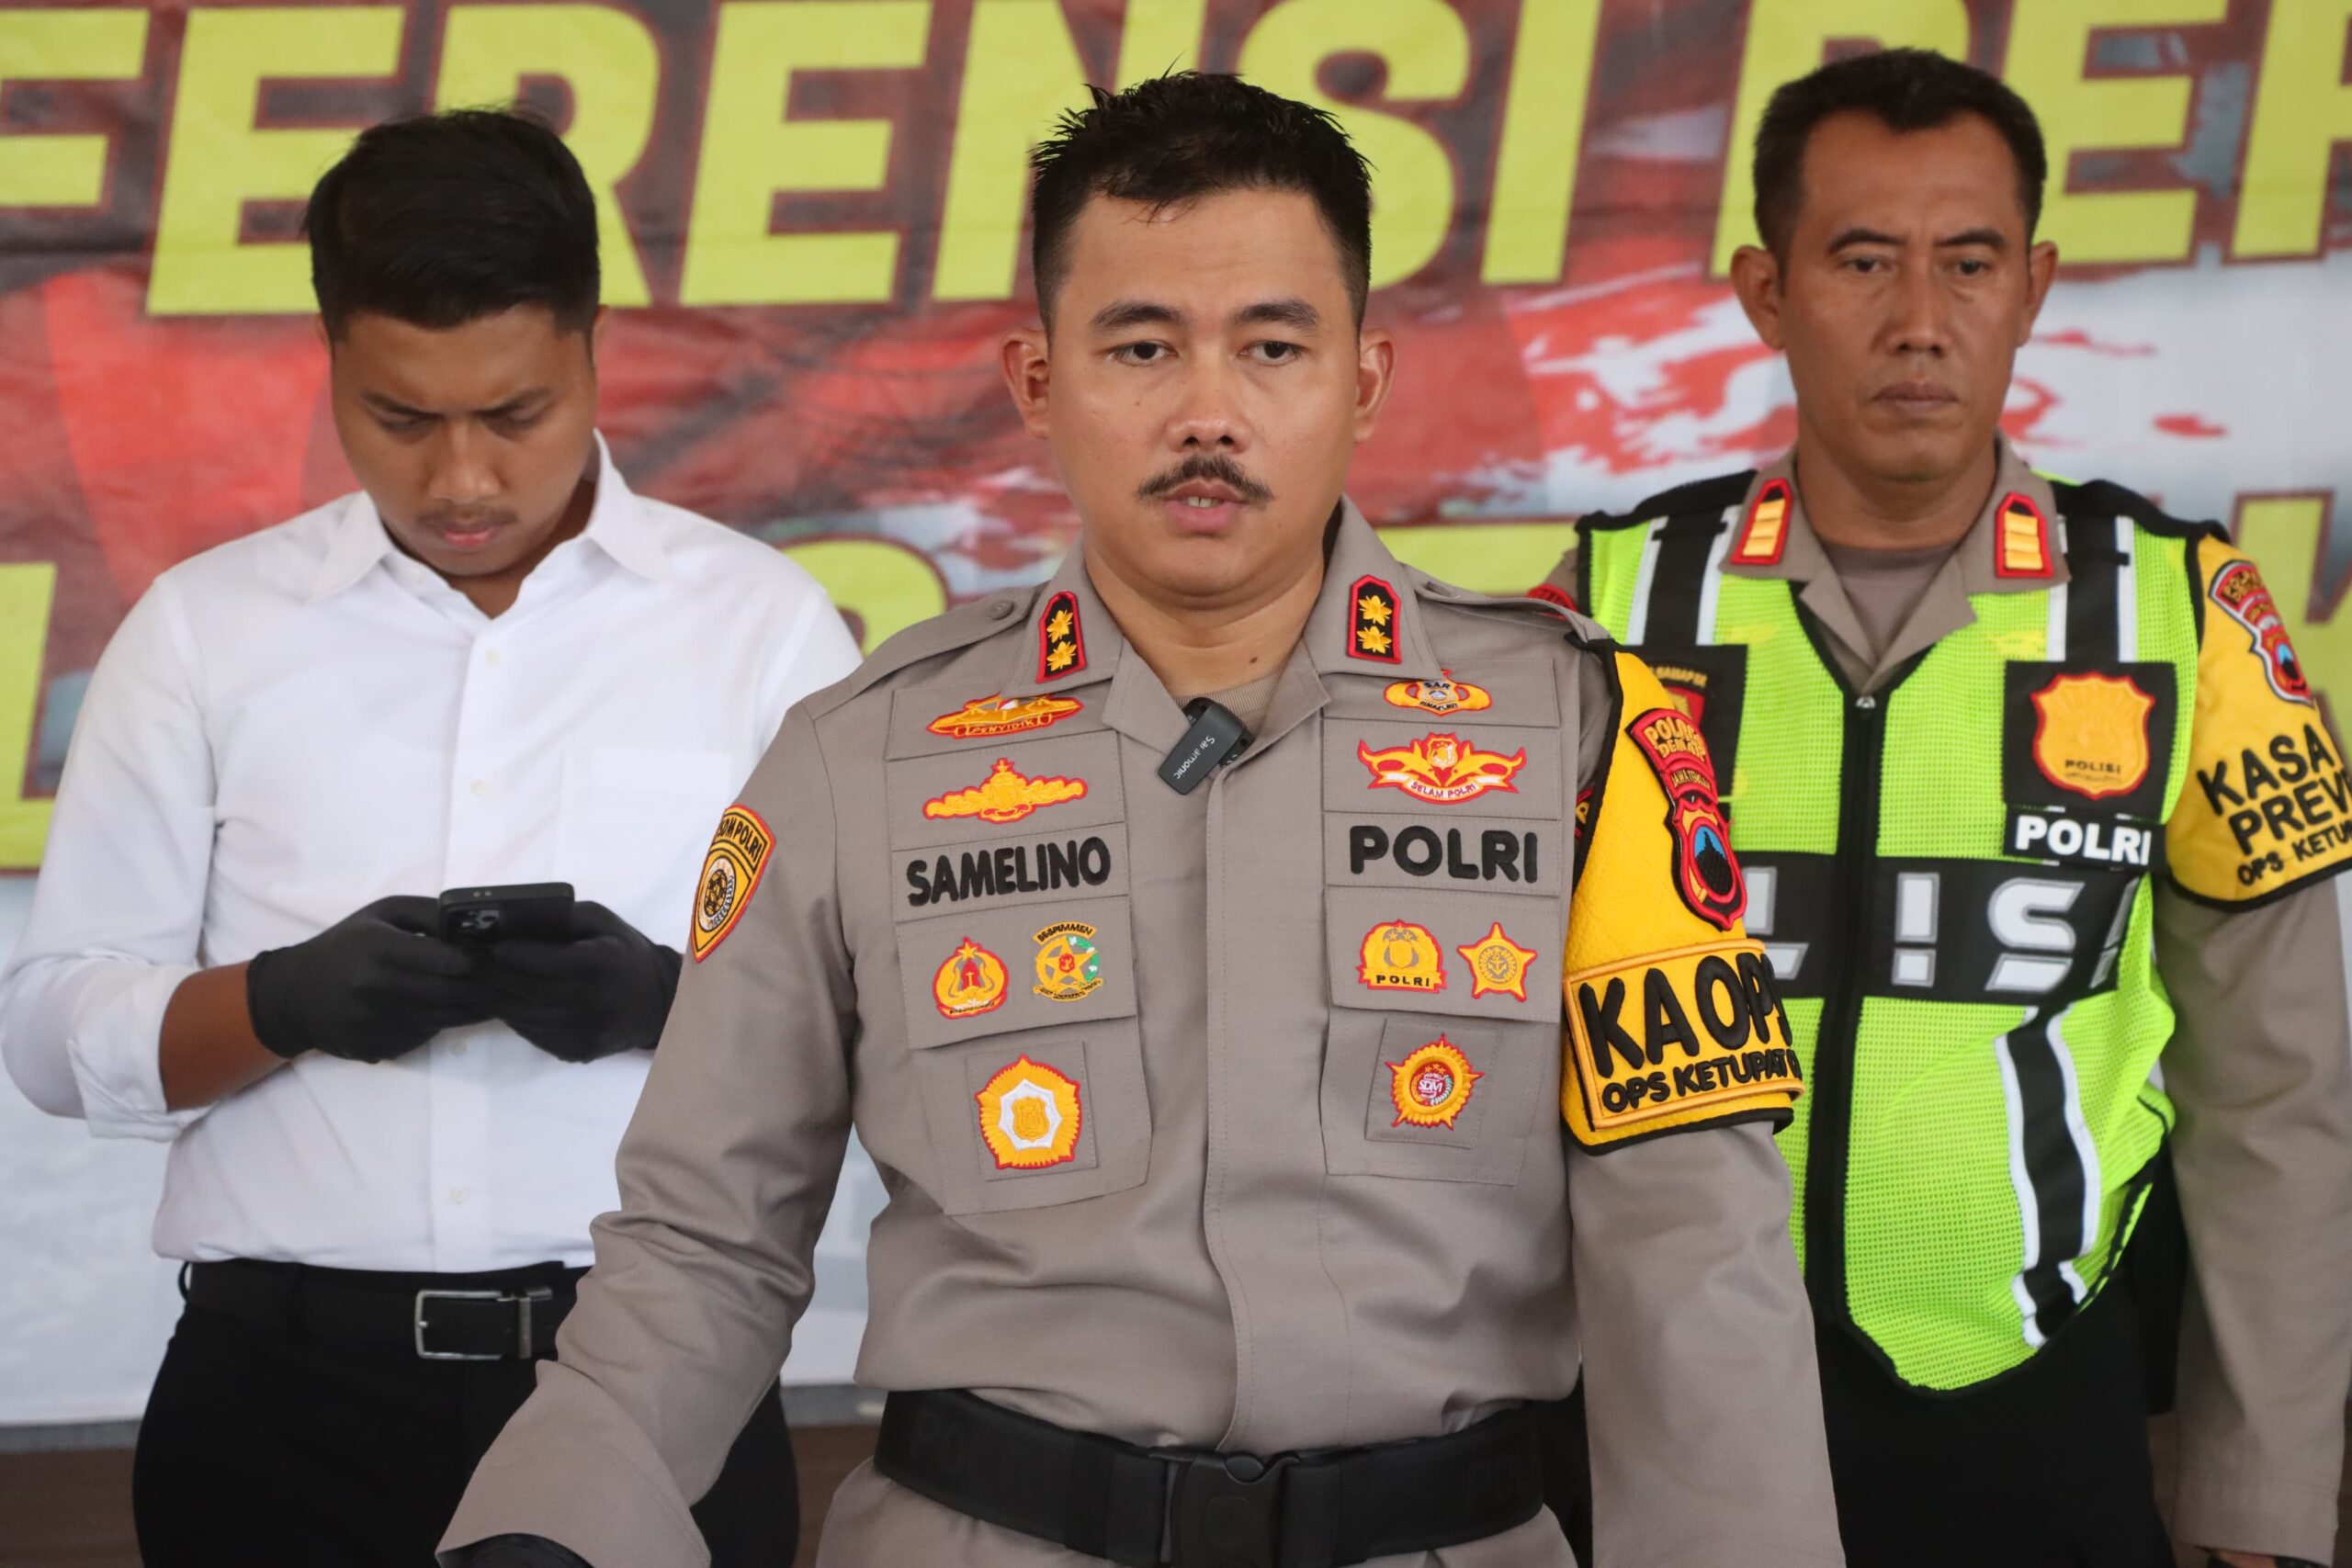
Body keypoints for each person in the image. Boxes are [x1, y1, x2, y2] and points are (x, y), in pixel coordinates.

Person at [436, 72, 1846, 1568]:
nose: (1208, 414)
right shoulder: (861, 759)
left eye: (1273, 346)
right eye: (1141, 347)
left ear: (1365, 379)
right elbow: (704, 1243)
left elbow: (1693, 1245)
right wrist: (549, 1527)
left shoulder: (1578, 733)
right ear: (1038, 381)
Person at [0, 108, 860, 1566]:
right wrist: (279, 1004)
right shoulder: (205, 631)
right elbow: (47, 1033)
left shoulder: (758, 629)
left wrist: (671, 1006)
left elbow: (883, 1022)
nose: (462, 479)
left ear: (596, 349)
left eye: (517, 414)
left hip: (652, 1384)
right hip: (279, 1416)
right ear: (329, 357)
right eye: (401, 418)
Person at [1534, 48, 2352, 1568]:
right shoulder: (1610, 606)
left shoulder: (2179, 613)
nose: (1920, 319)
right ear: (1766, 291)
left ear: (2033, 286)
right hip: (1657, 1406)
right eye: (1862, 261)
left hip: (2041, 1408)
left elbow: (2280, 1098)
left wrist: (2265, 1492)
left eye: (1969, 263)